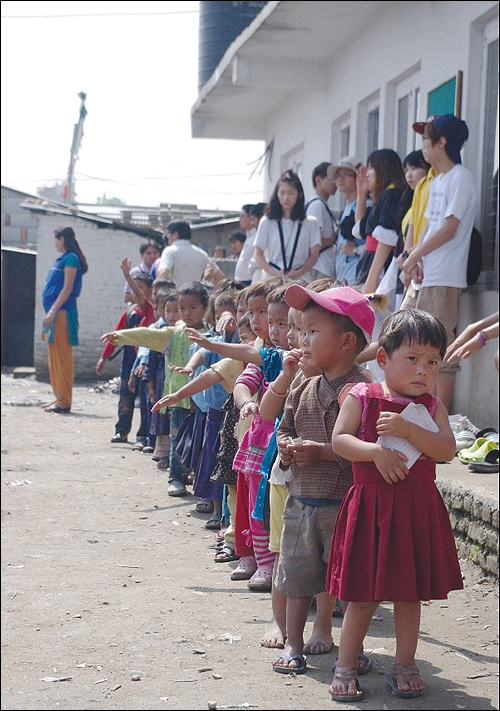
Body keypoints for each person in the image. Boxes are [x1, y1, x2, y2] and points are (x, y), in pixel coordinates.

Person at [328, 309, 462, 702]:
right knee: (363, 595)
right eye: (413, 358)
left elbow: (446, 451)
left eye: (433, 361)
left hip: (415, 511)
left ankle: (405, 663)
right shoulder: (364, 396)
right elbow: (340, 441)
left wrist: (408, 430)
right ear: (383, 359)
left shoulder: (433, 406)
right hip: (372, 508)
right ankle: (345, 665)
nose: (423, 370)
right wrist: (374, 454)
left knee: (409, 593)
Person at [271, 285, 375, 674]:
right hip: (302, 501)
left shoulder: (364, 391)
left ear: (347, 341)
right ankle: (293, 645)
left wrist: (321, 451)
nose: (302, 339)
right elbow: (284, 425)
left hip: (348, 506)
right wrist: (286, 445)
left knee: (350, 585)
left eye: (313, 330)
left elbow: (365, 447)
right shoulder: (303, 385)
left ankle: (353, 648)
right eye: (303, 330)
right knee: (298, 579)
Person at [101, 281, 210, 497]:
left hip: (202, 401)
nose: (186, 313)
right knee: (177, 439)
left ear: (205, 308)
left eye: (193, 308)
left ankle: (197, 479)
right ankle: (176, 478)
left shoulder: (212, 336)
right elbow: (147, 336)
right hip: (178, 400)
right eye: (182, 308)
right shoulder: (173, 333)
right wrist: (120, 336)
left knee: (200, 442)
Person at [400, 115, 476, 410]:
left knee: (439, 348)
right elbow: (430, 228)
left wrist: (415, 255)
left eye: (425, 138)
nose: (422, 147)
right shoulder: (438, 180)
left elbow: (449, 227)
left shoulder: (460, 177)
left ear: (441, 142)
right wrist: (414, 258)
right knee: (406, 338)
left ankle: (439, 418)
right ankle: (417, 409)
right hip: (425, 275)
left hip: (445, 277)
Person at [97, 270, 154, 444]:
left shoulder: (151, 311)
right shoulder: (129, 313)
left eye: (140, 288)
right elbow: (115, 335)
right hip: (129, 360)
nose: (135, 291)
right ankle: (121, 431)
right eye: (133, 287)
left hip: (145, 362)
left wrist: (127, 275)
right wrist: (104, 358)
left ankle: (143, 435)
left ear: (150, 291)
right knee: (125, 398)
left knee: (145, 402)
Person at [42, 226, 88, 414]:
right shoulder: (63, 258)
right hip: (55, 313)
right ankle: (58, 396)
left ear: (63, 239)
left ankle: (64, 400)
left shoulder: (71, 258)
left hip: (62, 313)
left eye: (56, 239)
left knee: (62, 357)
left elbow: (67, 288)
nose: (55, 243)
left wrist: (53, 310)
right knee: (54, 356)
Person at [354, 149, 406, 295]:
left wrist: (372, 277)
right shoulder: (384, 196)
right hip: (373, 264)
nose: (367, 174)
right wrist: (361, 194)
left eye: (371, 168)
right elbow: (361, 225)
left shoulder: (392, 195)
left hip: (381, 267)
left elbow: (386, 239)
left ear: (382, 168)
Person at [254, 170, 321, 282]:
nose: (286, 198)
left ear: (299, 194)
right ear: (277, 194)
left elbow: (314, 256)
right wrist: (274, 274)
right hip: (272, 279)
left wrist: (297, 274)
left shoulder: (310, 223)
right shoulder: (267, 221)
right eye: (282, 193)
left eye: (290, 193)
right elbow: (258, 255)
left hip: (300, 279)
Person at [328, 157, 363, 285]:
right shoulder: (347, 207)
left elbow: (372, 244)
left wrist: (354, 251)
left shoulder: (366, 206)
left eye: (346, 175)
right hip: (343, 278)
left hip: (357, 277)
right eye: (337, 176)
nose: (340, 179)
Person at [157, 221, 224, 288]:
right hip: (196, 296)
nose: (167, 236)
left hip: (176, 296)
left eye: (168, 233)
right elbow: (220, 278)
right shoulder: (201, 253)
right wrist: (207, 289)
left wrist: (156, 291)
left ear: (175, 235)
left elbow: (163, 274)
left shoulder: (170, 251)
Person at [306, 162, 338, 278]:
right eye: (331, 180)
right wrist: (334, 238)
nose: (336, 184)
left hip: (323, 267)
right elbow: (313, 243)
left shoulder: (321, 204)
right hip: (320, 268)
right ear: (318, 180)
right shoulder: (317, 206)